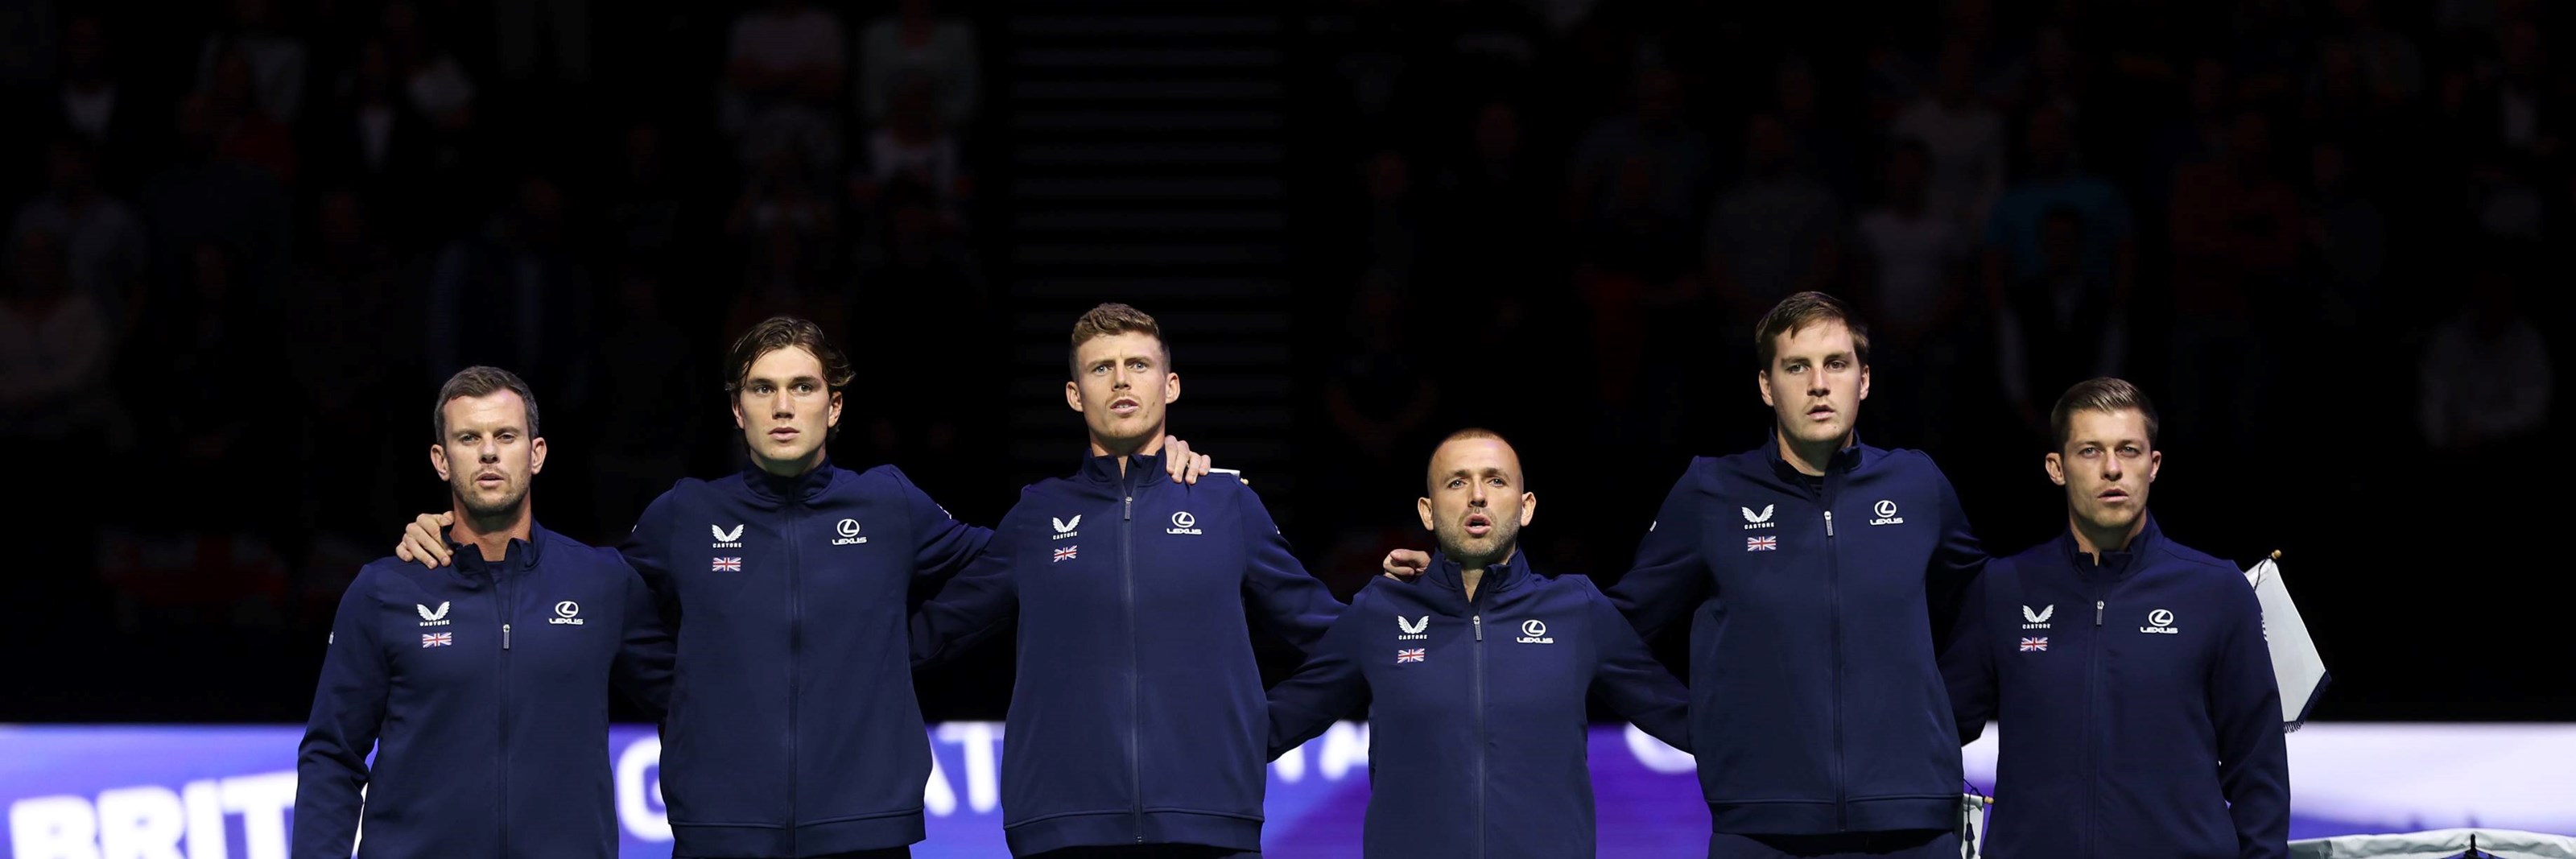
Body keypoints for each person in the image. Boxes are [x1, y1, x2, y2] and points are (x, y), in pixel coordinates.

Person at [395, 317, 1217, 858]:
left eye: (801, 387)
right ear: (737, 409)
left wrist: (1158, 476)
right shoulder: (686, 514)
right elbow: (576, 586)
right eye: (762, 387)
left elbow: (1020, 557)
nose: (782, 404)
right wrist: (449, 533)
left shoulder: (889, 502)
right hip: (721, 831)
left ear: (835, 404)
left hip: (866, 828)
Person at [1389, 291, 1983, 857]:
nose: (1819, 383)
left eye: (1837, 363)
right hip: (1761, 825)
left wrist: (1941, 719)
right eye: (1796, 367)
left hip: (1912, 821)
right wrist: (1454, 584)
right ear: (1765, 386)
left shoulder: (1916, 484)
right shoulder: (1712, 492)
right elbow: (1613, 625)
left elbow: (1987, 605)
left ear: (1866, 379)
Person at [910, 303, 1343, 857]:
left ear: (1171, 386)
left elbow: (1340, 641)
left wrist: (1262, 728)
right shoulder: (1036, 516)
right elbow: (935, 633)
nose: (1120, 379)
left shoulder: (1227, 503)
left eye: (1138, 365)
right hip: (1063, 829)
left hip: (1209, 826)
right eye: (1100, 368)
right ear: (1074, 394)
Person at [295, 366, 672, 858]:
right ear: (442, 460)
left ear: (536, 454)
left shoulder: (603, 583)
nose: (489, 451)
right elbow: (332, 755)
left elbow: (688, 707)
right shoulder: (385, 590)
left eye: (506, 435)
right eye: (469, 437)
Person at [1265, 428, 1692, 858]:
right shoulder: (1379, 613)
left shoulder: (1577, 609)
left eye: (1496, 480)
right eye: (1457, 482)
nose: (1477, 496)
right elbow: (1273, 725)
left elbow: (1684, 718)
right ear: (1427, 513)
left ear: (1526, 508)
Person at [1939, 378, 2288, 858]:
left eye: (2128, 450)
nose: (2111, 469)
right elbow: (1938, 729)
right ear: (2056, 468)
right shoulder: (2002, 588)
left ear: (2154, 464)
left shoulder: (2217, 590)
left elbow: (2258, 764)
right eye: (2090, 451)